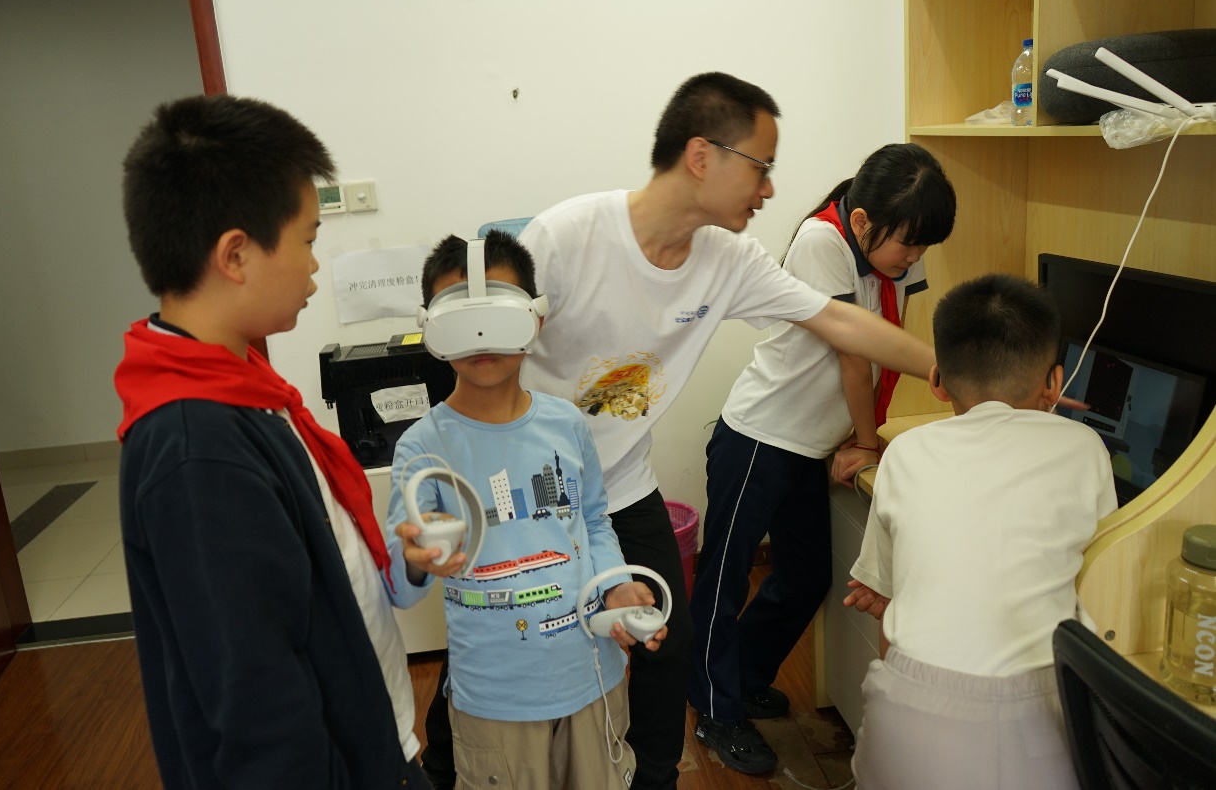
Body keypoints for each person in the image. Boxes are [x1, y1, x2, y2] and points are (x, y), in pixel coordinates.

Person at [414, 71, 935, 790]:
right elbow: (482, 353)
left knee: (669, 636)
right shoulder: (566, 236)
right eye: (761, 167)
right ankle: (442, 767)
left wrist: (946, 369)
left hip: (621, 484)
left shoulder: (730, 261)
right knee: (501, 628)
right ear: (701, 156)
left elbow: (838, 320)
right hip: (526, 484)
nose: (769, 190)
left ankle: (653, 777)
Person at [113, 94, 430, 789]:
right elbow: (257, 701)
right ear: (236, 254)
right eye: (308, 239)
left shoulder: (245, 391)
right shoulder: (197, 447)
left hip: (372, 740)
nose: (315, 265)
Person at [688, 142, 957, 772]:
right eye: (909, 243)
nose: (915, 258)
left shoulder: (890, 261)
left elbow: (892, 339)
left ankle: (742, 675)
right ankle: (715, 710)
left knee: (806, 575)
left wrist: (856, 434)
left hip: (807, 443)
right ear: (863, 222)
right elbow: (854, 356)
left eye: (925, 246)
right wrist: (865, 440)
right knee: (724, 579)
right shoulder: (822, 240)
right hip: (760, 438)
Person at [387, 232, 666, 790]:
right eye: (463, 319)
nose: (482, 337)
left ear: (534, 319)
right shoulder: (422, 447)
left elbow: (593, 519)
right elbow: (401, 586)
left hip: (592, 678)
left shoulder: (566, 424)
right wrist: (415, 558)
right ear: (433, 329)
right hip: (494, 700)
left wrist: (614, 584)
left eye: (498, 314)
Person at [843, 273, 1117, 790]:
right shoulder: (1085, 448)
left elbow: (886, 607)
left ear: (937, 380)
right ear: (1055, 382)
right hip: (1037, 711)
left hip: (907, 704)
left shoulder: (904, 452)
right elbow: (1101, 587)